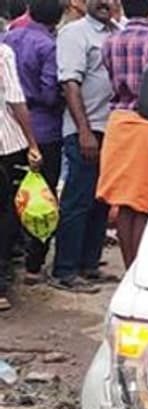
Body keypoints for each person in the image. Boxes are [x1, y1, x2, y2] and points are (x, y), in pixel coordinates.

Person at [96, 0, 148, 270]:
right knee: (146, 204)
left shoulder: (110, 43)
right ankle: (140, 269)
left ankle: (128, 267)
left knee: (125, 204)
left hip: (119, 124)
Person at [50, 0, 115, 293]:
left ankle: (89, 264)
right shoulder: (75, 33)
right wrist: (84, 131)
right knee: (77, 201)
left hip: (111, 129)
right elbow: (69, 84)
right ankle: (65, 270)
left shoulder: (116, 32)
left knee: (100, 200)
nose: (106, 3)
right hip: (85, 131)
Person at [5, 0, 65, 285]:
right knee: (42, 198)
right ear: (57, 18)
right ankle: (33, 265)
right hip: (43, 131)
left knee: (11, 199)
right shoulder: (48, 46)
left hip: (9, 131)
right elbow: (49, 93)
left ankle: (9, 259)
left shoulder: (9, 38)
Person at [0, 40, 42, 311]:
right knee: (5, 215)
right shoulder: (2, 53)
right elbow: (16, 100)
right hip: (5, 146)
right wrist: (32, 143)